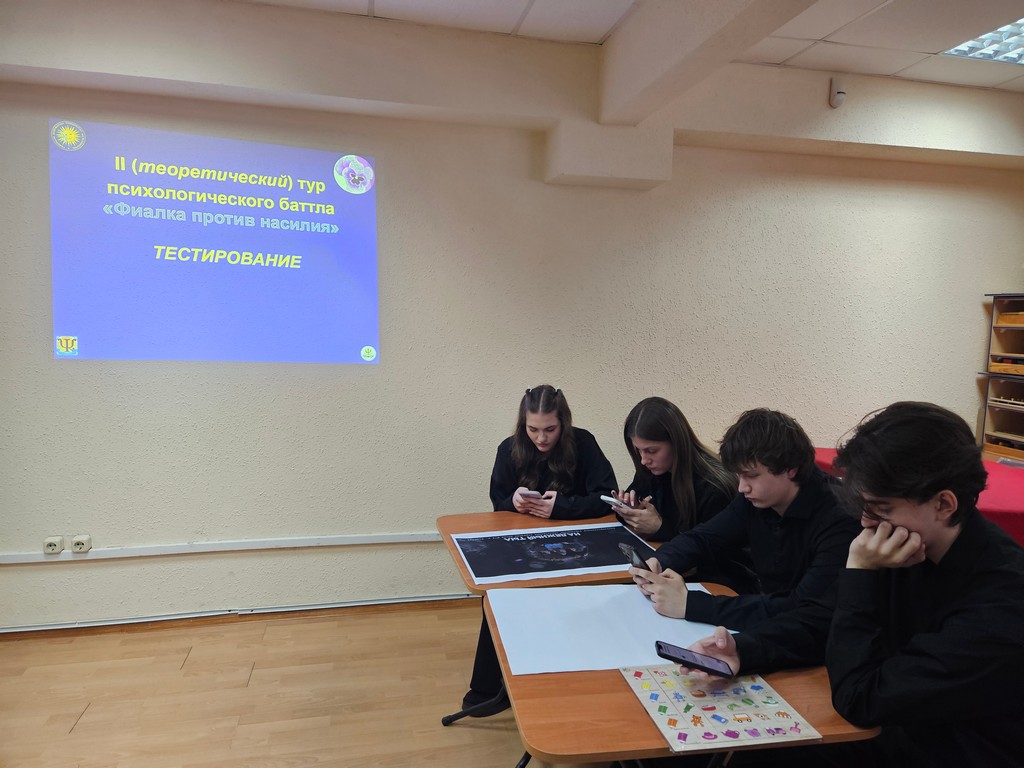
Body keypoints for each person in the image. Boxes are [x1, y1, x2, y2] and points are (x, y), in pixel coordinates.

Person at [631, 408, 859, 670]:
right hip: (770, 634)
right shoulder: (756, 499)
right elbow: (705, 537)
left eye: (750, 475)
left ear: (791, 469)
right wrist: (660, 560)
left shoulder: (840, 519)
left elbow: (800, 609)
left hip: (809, 651)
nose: (742, 487)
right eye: (739, 476)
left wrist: (691, 604)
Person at [463, 385, 617, 716]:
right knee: (499, 595)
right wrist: (513, 501)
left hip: (578, 546)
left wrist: (562, 507)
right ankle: (488, 689)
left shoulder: (584, 443)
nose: (542, 438)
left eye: (550, 429)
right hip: (521, 543)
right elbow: (498, 503)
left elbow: (607, 497)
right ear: (523, 424)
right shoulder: (509, 448)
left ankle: (565, 676)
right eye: (533, 429)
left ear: (564, 423)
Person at [611, 397, 737, 541]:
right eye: (638, 450)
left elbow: (712, 546)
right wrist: (630, 510)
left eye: (652, 451)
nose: (643, 460)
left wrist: (660, 528)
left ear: (676, 443)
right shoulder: (651, 471)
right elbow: (636, 507)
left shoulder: (714, 487)